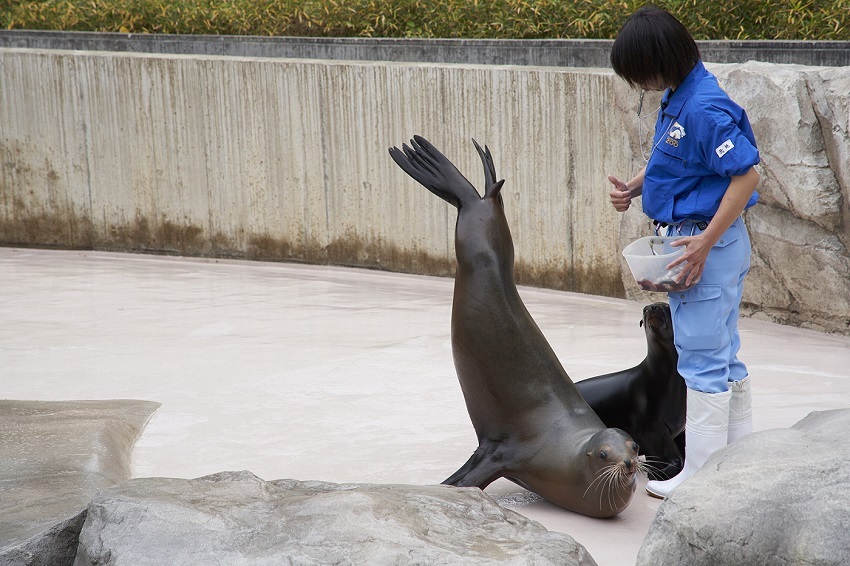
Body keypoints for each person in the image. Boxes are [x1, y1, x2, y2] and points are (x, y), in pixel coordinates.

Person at [607, 6, 759, 499]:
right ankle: (740, 459)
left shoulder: (703, 108)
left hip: (703, 245)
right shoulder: (681, 92)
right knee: (723, 353)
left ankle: (704, 475)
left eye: (640, 72)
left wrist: (704, 243)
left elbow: (746, 176)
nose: (640, 84)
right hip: (700, 242)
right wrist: (635, 187)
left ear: (661, 59)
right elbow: (679, 164)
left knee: (700, 358)